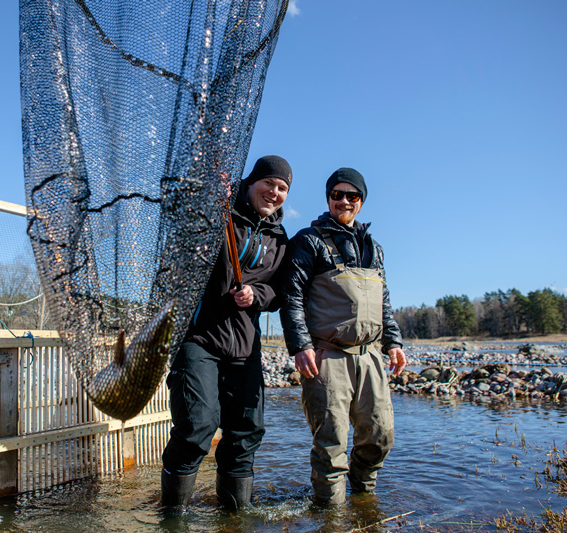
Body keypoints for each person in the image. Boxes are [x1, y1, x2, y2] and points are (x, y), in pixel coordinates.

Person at [160, 155, 292, 510]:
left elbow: (279, 292)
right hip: (200, 338)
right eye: (269, 183)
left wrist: (257, 295)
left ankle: (234, 518)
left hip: (245, 347)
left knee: (246, 433)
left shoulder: (281, 241)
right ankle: (172, 515)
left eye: (282, 188)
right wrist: (209, 194)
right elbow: (181, 220)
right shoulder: (219, 215)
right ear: (251, 184)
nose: (274, 192)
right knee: (197, 428)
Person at [279, 167, 406, 505]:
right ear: (328, 199)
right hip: (326, 356)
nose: (345, 201)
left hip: (370, 356)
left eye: (352, 196)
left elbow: (384, 301)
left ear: (361, 203)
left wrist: (393, 342)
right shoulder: (309, 240)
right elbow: (291, 296)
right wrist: (300, 345)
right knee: (332, 441)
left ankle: (363, 497)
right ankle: (331, 516)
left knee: (381, 435)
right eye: (338, 195)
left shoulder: (374, 248)